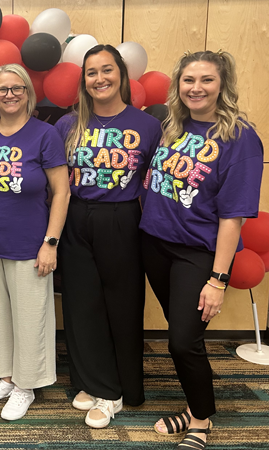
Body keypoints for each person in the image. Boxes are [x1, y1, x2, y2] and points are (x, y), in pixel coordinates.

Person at [140, 50, 263, 449]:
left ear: (222, 85)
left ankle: (202, 420)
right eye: (188, 80)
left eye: (207, 80)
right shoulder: (172, 125)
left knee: (183, 341)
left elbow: (233, 217)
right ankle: (194, 408)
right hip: (155, 244)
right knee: (181, 334)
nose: (196, 88)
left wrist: (218, 279)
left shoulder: (240, 138)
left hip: (198, 254)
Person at [55, 44, 162, 428]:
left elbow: (157, 180)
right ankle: (91, 381)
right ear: (83, 80)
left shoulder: (148, 125)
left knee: (122, 304)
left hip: (123, 218)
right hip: (77, 217)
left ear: (121, 75)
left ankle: (120, 391)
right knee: (82, 305)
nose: (99, 78)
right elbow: (55, 180)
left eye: (106, 70)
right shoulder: (68, 125)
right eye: (91, 72)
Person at [0, 63, 70, 421]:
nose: (9, 94)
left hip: (29, 245)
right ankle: (4, 377)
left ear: (27, 93)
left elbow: (62, 191)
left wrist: (50, 242)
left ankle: (27, 385)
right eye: (2, 89)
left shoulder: (45, 135)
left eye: (16, 88)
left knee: (30, 317)